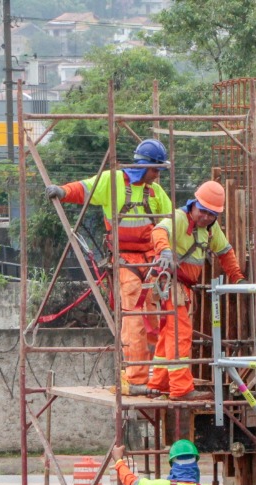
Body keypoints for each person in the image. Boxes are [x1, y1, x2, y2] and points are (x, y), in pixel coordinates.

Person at [44, 139, 172, 393]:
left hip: (152, 261)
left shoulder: (156, 193)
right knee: (134, 318)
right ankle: (136, 379)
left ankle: (157, 376)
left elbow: (170, 224)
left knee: (156, 319)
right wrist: (63, 191)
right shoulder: (111, 181)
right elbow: (84, 188)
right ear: (144, 166)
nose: (158, 175)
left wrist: (168, 252)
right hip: (126, 261)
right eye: (155, 170)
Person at [146, 180, 246, 400]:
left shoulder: (210, 228)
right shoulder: (179, 218)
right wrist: (164, 251)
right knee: (179, 335)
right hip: (172, 285)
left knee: (168, 336)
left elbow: (225, 251)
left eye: (212, 214)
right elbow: (159, 231)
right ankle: (181, 389)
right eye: (203, 212)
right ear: (194, 204)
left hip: (181, 288)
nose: (206, 217)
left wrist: (237, 277)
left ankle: (159, 383)